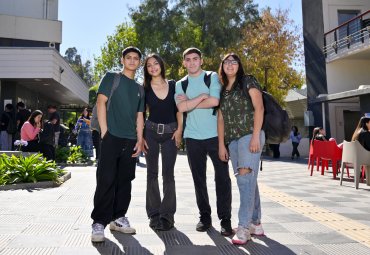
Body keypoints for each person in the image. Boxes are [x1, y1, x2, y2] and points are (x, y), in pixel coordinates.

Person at [175, 48, 232, 236]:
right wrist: (200, 97)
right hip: (192, 138)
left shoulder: (212, 76)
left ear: (201, 60)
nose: (192, 62)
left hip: (216, 136)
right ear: (184, 63)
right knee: (199, 180)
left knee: (222, 179)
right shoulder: (180, 84)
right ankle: (205, 218)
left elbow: (215, 101)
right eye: (188, 60)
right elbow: (181, 107)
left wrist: (189, 103)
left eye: (195, 59)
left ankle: (225, 220)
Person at [91, 46, 145, 243]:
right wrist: (105, 132)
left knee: (125, 180)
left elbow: (140, 116)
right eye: (128, 57)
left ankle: (118, 218)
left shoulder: (140, 88)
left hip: (130, 140)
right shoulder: (111, 78)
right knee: (106, 179)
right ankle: (98, 223)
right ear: (122, 60)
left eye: (135, 58)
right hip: (111, 136)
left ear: (139, 63)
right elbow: (100, 102)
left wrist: (139, 139)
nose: (132, 61)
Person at [217, 53, 265, 245]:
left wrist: (255, 136)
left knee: (245, 179)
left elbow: (259, 108)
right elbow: (220, 119)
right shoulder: (222, 89)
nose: (230, 64)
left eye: (234, 61)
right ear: (222, 66)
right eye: (226, 62)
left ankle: (244, 227)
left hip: (249, 135)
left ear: (239, 65)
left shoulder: (248, 81)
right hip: (233, 140)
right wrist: (222, 144)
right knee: (247, 180)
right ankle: (256, 222)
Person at [142, 54, 183, 231]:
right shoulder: (144, 88)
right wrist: (140, 137)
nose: (153, 67)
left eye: (155, 63)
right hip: (150, 132)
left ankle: (167, 216)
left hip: (171, 133)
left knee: (168, 174)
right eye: (149, 65)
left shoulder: (174, 85)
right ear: (146, 69)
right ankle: (154, 214)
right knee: (152, 173)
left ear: (161, 65)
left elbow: (180, 110)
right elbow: (140, 114)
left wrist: (180, 130)